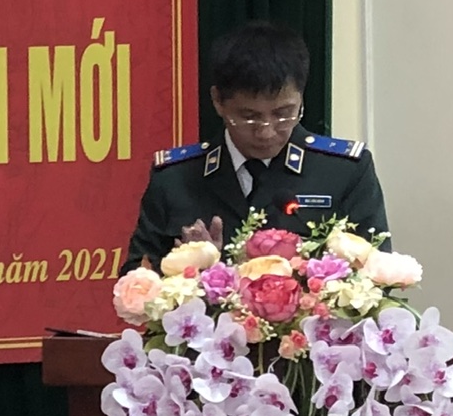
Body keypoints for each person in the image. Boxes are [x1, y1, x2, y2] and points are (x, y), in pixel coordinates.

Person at [124, 21, 389, 268]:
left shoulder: (343, 173)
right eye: (249, 117)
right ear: (218, 101)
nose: (266, 132)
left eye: (283, 114)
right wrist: (194, 273)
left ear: (301, 98)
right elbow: (137, 277)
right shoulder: (176, 179)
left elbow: (376, 275)